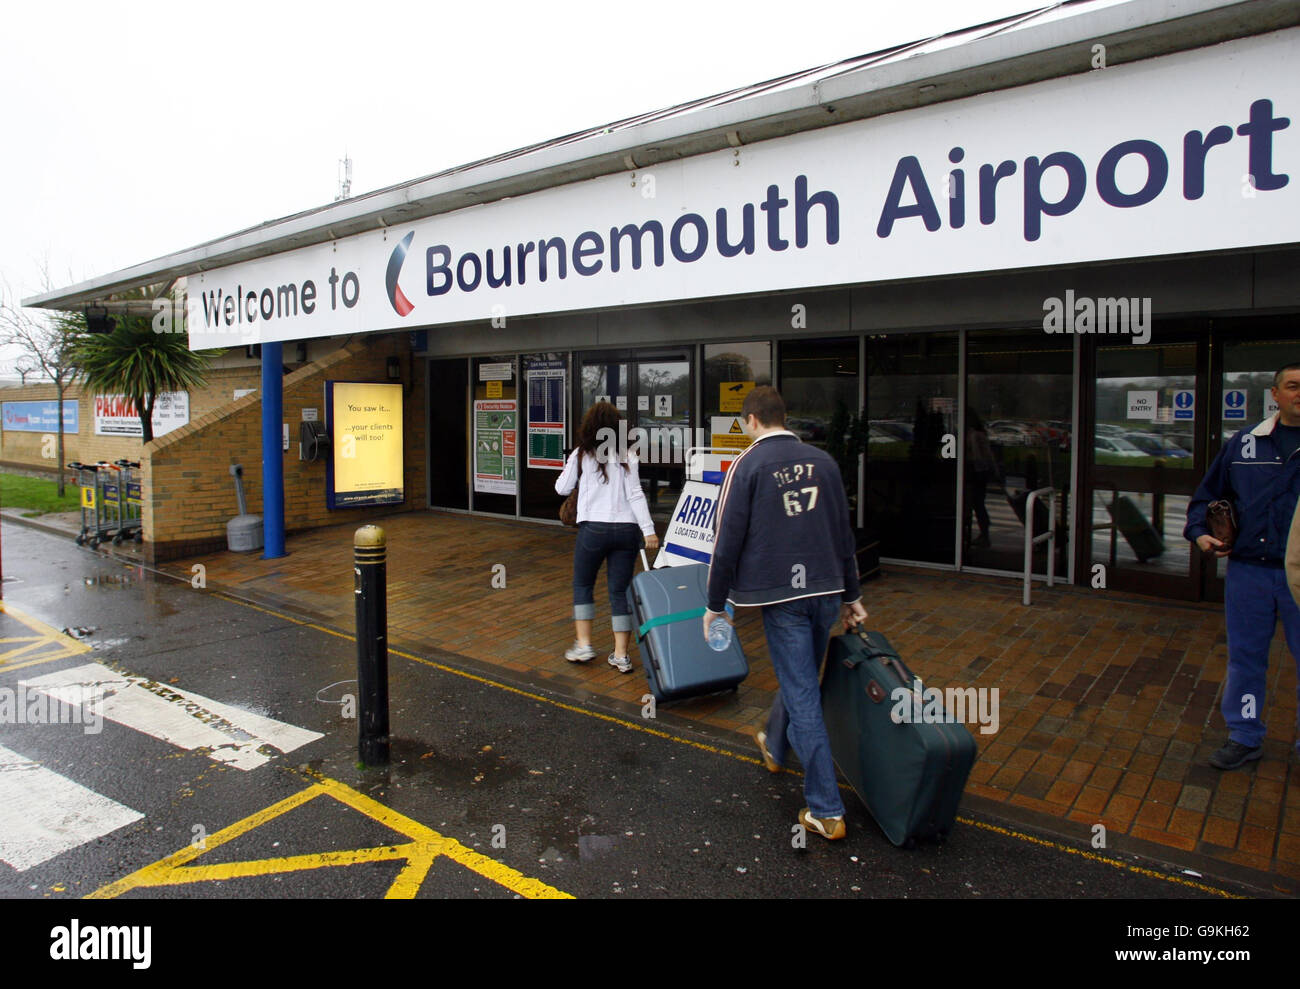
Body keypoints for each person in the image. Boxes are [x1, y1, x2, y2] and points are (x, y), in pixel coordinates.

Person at [704, 386, 867, 840]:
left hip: (784, 598)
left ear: (751, 420)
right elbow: (842, 535)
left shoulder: (748, 464)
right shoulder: (826, 463)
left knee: (802, 693)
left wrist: (715, 605)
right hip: (827, 591)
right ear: (785, 416)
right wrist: (852, 596)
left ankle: (826, 809)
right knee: (800, 679)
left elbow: (726, 540)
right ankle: (775, 744)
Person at [1185, 362, 1300, 770]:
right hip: (1250, 571)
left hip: (1299, 574)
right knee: (1246, 658)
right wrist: (1200, 531)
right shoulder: (1246, 443)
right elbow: (1208, 495)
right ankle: (1245, 736)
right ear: (1275, 394)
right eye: (1292, 386)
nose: (1299, 393)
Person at [555, 401, 659, 673]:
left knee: (583, 586)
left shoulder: (582, 454)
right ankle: (621, 655)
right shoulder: (628, 454)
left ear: (589, 427)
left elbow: (561, 487)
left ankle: (584, 645)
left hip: (594, 530)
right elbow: (636, 494)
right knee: (619, 592)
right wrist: (648, 530)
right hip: (626, 531)